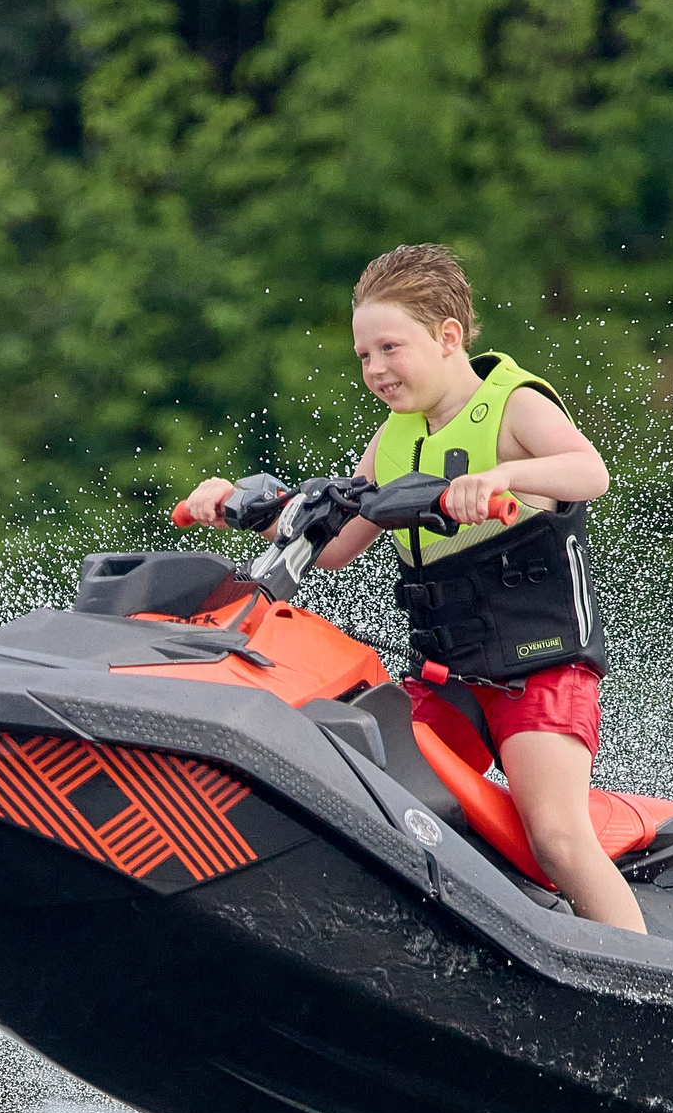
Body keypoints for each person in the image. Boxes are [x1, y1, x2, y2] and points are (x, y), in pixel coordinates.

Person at [178, 243, 644, 933]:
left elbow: (590, 471)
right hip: (447, 680)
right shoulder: (392, 441)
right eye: (364, 355)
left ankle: (640, 977)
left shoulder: (513, 406)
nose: (374, 369)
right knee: (369, 795)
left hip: (541, 673)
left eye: (389, 348)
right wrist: (241, 507)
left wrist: (503, 477)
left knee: (555, 836)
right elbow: (335, 543)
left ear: (447, 337)